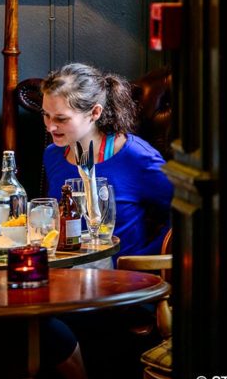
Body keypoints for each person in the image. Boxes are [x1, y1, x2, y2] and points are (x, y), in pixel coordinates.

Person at [40, 63, 173, 259]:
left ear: (95, 112)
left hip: (121, 273)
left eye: (61, 119)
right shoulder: (52, 155)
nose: (50, 127)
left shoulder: (136, 156)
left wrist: (144, 259)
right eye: (46, 115)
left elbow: (184, 212)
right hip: (66, 270)